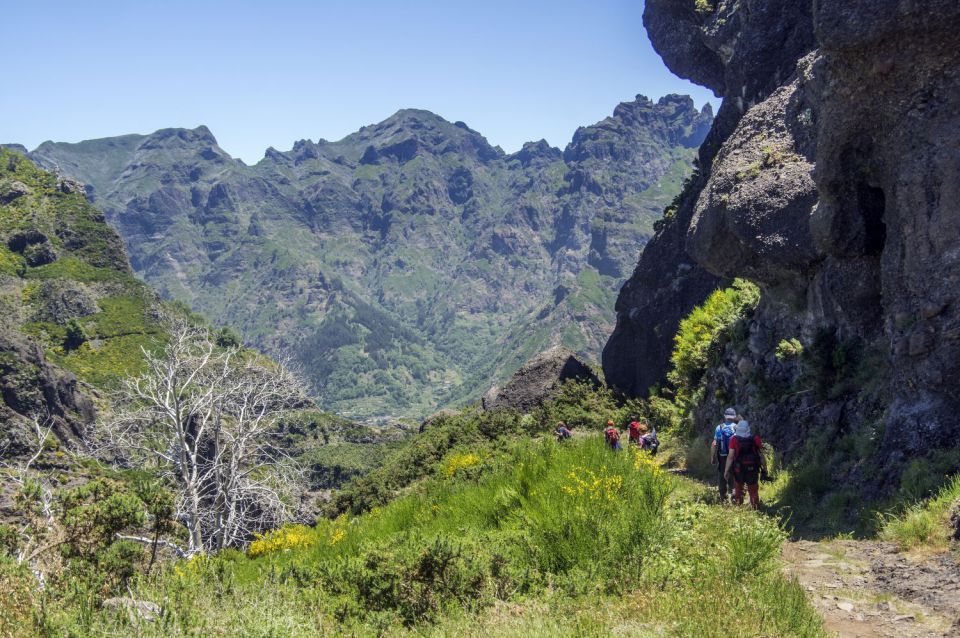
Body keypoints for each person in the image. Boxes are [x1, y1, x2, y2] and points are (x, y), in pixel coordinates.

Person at [724, 420, 767, 510]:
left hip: (738, 469)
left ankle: (738, 508)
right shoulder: (755, 438)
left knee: (738, 489)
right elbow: (761, 456)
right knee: (753, 489)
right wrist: (765, 469)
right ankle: (755, 508)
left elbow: (730, 457)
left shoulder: (733, 439)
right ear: (748, 429)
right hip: (753, 469)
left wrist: (726, 471)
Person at [711, 408, 737, 502]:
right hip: (734, 456)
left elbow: (714, 443)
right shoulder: (737, 427)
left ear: (725, 416)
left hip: (722, 456)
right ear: (734, 417)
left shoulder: (719, 427)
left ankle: (723, 498)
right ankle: (734, 496)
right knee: (734, 475)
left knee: (722, 476)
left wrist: (713, 457)